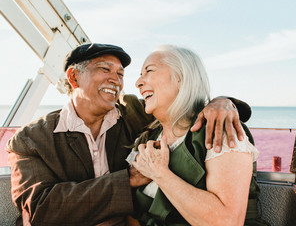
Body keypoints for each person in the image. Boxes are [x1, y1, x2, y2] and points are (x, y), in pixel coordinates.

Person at [6, 43, 252, 225]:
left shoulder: (133, 113)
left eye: (120, 74)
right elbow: (42, 209)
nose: (117, 80)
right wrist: (129, 179)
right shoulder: (30, 140)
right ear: (73, 77)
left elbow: (181, 107)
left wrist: (223, 102)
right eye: (105, 69)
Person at [127, 45, 269, 226]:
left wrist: (159, 173)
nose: (138, 82)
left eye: (149, 71)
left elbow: (227, 222)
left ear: (181, 78)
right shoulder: (147, 139)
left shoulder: (219, 129)